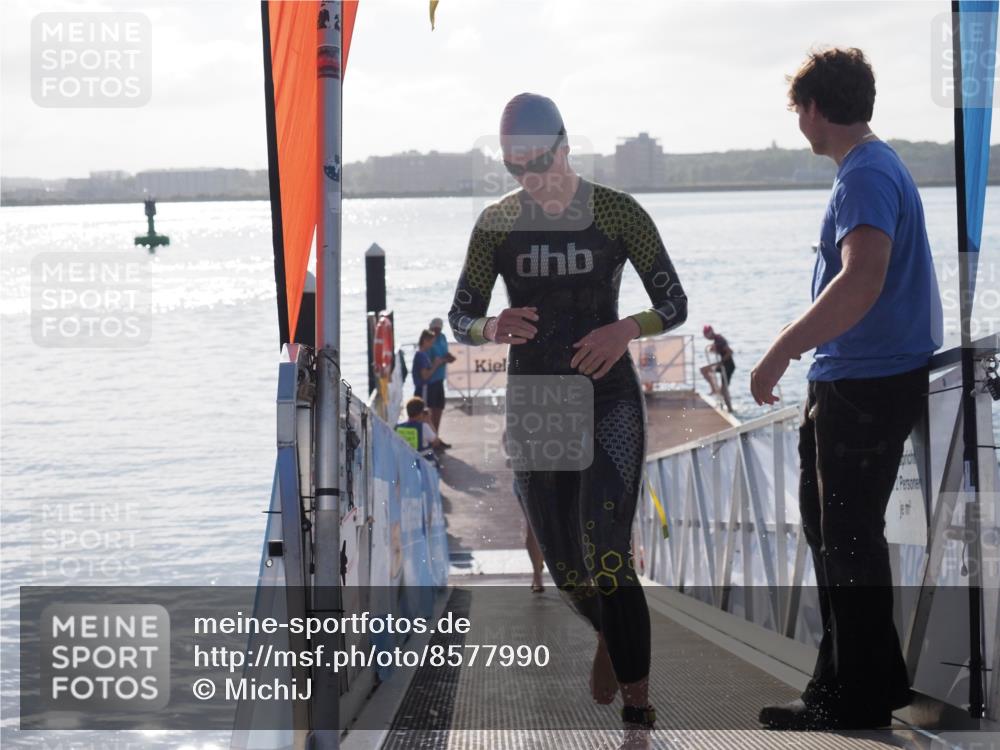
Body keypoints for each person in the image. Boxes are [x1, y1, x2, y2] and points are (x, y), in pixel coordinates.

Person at [448, 92, 687, 748]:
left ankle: (638, 714)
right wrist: (490, 324)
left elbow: (672, 301)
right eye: (514, 166)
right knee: (565, 565)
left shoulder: (615, 211)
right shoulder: (497, 223)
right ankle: (611, 629)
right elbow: (460, 313)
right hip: (537, 406)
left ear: (564, 145)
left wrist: (623, 330)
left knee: (607, 552)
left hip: (606, 397)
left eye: (540, 161)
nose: (530, 178)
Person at [752, 48, 942, 731]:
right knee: (838, 536)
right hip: (861, 378)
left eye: (797, 109)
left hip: (864, 382)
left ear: (814, 109)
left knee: (848, 539)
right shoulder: (874, 167)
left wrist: (778, 351)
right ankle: (848, 684)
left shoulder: (864, 174)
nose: (797, 121)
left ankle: (852, 696)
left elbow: (861, 280)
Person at [426, 317, 456, 446]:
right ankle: (430, 439)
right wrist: (442, 360)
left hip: (439, 379)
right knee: (429, 411)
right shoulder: (428, 340)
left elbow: (443, 355)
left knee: (439, 408)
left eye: (439, 329)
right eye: (435, 329)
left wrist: (447, 358)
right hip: (430, 381)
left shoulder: (442, 337)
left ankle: (436, 437)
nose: (437, 332)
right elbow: (429, 362)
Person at [699, 324, 735, 394]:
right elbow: (720, 350)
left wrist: (721, 362)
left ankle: (714, 389)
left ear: (711, 332)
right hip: (724, 365)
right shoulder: (717, 339)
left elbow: (730, 352)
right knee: (704, 370)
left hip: (727, 366)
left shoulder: (719, 340)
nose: (706, 337)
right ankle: (714, 389)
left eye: (706, 334)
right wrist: (714, 348)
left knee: (723, 391)